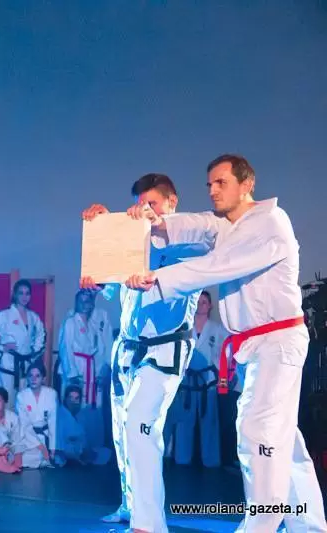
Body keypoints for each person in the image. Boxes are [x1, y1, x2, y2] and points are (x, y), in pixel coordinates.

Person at [126, 154, 327, 532]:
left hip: (278, 340)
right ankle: (310, 526)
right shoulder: (226, 225)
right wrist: (153, 221)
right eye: (210, 184)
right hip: (256, 346)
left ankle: (261, 526)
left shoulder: (270, 222)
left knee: (258, 431)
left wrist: (159, 279)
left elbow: (221, 265)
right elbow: (195, 225)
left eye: (222, 182)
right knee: (284, 440)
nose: (213, 190)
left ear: (247, 184)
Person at [81, 173, 208, 532]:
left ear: (172, 202)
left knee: (141, 423)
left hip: (166, 347)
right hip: (127, 348)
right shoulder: (134, 241)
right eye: (141, 204)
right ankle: (130, 504)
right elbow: (110, 286)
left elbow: (191, 273)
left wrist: (154, 260)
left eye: (152, 203)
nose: (144, 210)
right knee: (123, 429)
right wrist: (104, 230)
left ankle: (149, 522)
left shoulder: (189, 241)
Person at [166, 291, 226, 467]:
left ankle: (211, 461)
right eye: (198, 301)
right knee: (184, 421)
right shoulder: (184, 327)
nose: (200, 305)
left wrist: (219, 374)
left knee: (210, 423)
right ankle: (181, 459)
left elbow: (225, 354)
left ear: (210, 306)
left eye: (204, 302)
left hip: (209, 381)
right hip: (187, 382)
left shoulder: (217, 329)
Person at [0, 280, 47, 405]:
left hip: (26, 366)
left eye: (27, 293)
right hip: (7, 365)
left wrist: (34, 352)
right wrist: (0, 348)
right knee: (5, 403)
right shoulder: (4, 315)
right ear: (15, 294)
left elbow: (41, 335)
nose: (24, 297)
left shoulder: (33, 317)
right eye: (21, 293)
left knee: (24, 404)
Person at [57, 289, 112, 409]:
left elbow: (100, 348)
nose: (84, 305)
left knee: (89, 404)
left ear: (91, 303)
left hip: (90, 369)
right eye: (81, 301)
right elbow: (66, 348)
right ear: (76, 303)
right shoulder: (70, 321)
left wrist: (101, 369)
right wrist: (72, 374)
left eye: (87, 301)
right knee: (73, 403)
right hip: (75, 368)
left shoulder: (93, 325)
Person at [56, 385, 111, 466]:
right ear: (65, 399)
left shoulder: (81, 416)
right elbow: (59, 445)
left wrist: (86, 451)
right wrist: (79, 453)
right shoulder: (59, 416)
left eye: (76, 398)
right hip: (66, 458)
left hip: (82, 454)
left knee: (107, 453)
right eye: (70, 398)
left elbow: (83, 439)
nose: (73, 401)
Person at [15, 363, 58, 464]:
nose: (33, 379)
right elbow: (24, 425)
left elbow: (53, 422)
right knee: (24, 457)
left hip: (45, 435)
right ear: (27, 378)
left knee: (52, 458)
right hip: (27, 436)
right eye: (31, 376)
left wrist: (53, 448)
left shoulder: (51, 394)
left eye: (37, 376)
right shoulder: (21, 396)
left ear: (43, 379)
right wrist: (40, 446)